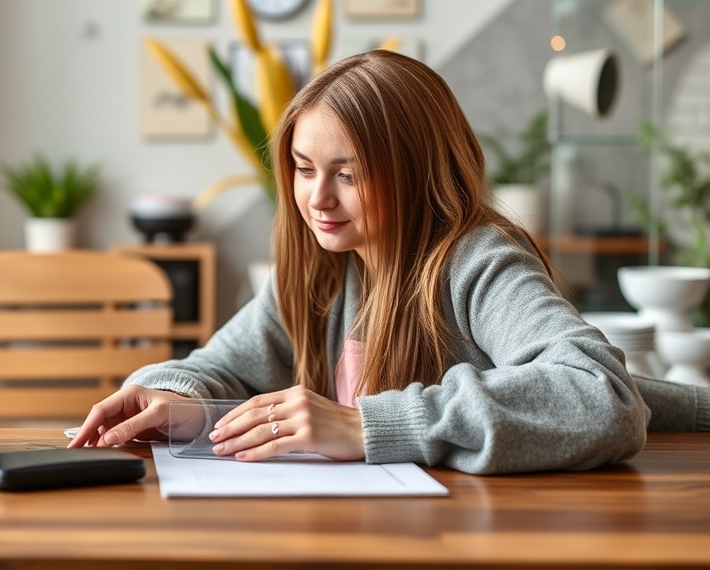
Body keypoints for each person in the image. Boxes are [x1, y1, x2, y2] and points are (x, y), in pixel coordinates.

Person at [69, 50, 710, 474]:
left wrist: (365, 424)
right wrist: (172, 397)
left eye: (348, 174)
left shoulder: (475, 259)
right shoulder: (325, 267)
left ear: (416, 172)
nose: (317, 199)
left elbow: (601, 396)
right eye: (302, 168)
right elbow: (222, 364)